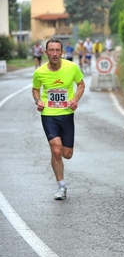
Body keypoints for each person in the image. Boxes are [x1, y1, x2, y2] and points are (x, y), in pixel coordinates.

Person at [32, 39, 85, 200]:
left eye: (57, 50)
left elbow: (81, 84)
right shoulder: (39, 72)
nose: (54, 53)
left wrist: (75, 99)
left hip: (67, 114)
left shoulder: (72, 67)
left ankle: (57, 154)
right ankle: (61, 186)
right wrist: (38, 101)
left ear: (62, 52)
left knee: (67, 154)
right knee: (56, 149)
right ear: (46, 52)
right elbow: (35, 89)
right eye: (51, 50)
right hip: (48, 114)